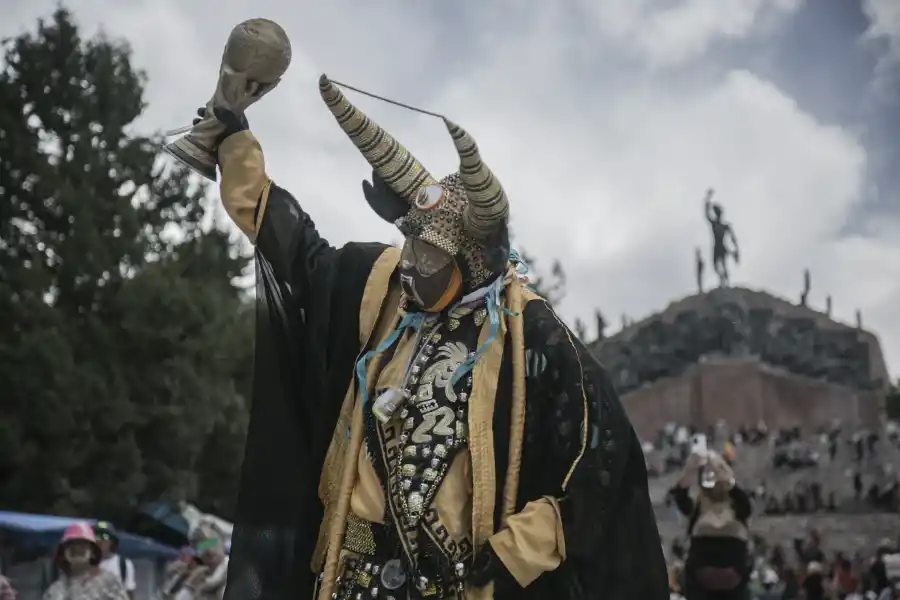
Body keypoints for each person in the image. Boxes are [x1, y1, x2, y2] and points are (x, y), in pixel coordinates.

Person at [210, 74, 668, 600]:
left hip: (451, 584)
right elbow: (296, 249)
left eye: (428, 255)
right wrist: (234, 144)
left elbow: (600, 459)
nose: (409, 264)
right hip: (350, 575)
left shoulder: (530, 332)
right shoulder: (382, 286)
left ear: (472, 262)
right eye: (408, 245)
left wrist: (513, 552)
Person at [670, 451, 752, 600]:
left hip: (733, 576)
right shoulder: (700, 504)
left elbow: (746, 507)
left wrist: (723, 473)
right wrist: (690, 470)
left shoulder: (735, 502)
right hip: (701, 578)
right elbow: (680, 497)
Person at [43, 523, 127, 600]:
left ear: (93, 552)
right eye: (71, 546)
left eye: (82, 545)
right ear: (63, 555)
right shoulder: (55, 591)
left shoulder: (109, 583)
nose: (77, 549)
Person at [94, 522, 136, 600]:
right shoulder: (86, 563)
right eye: (98, 536)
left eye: (106, 536)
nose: (101, 540)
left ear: (112, 541)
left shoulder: (124, 563)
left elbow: (129, 592)